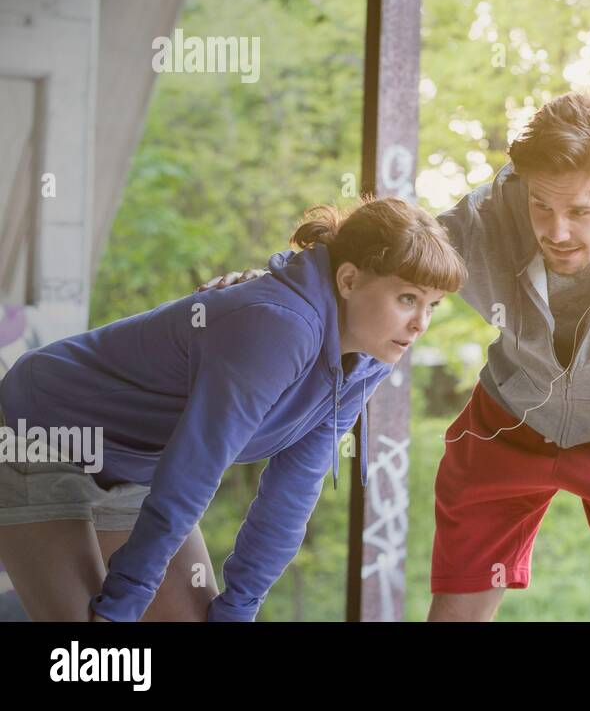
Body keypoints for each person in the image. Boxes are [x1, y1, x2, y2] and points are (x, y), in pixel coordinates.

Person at [206, 93, 590, 622]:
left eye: (580, 212)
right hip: (508, 419)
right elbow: (389, 256)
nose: (557, 232)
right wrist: (279, 282)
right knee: (456, 612)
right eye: (542, 206)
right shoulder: (489, 213)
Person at [0, 195, 464, 621]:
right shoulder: (281, 326)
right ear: (348, 280)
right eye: (408, 298)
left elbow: (292, 491)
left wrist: (238, 608)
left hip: (134, 469)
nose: (420, 323)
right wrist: (121, 605)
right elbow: (193, 474)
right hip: (42, 433)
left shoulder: (368, 357)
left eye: (433, 306)